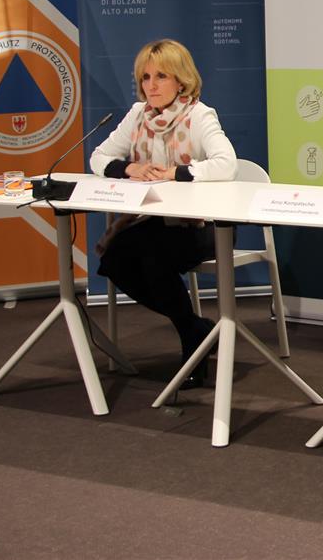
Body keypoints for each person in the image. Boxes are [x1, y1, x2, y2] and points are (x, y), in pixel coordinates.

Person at [90, 39, 238, 389]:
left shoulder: (199, 115)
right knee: (115, 259)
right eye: (145, 77)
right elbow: (98, 157)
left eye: (161, 76)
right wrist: (129, 168)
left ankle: (192, 342)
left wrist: (176, 172)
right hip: (155, 222)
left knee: (154, 257)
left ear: (181, 81)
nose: (151, 86)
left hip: (203, 226)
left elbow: (226, 164)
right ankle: (196, 329)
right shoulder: (137, 115)